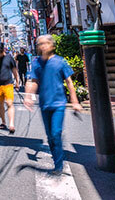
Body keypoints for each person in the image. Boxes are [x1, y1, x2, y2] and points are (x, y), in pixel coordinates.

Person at [24, 35, 84, 174]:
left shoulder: (60, 62)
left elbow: (69, 82)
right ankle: (57, 156)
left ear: (52, 45)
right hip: (44, 104)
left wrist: (75, 101)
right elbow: (33, 81)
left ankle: (58, 165)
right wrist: (29, 97)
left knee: (56, 133)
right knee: (50, 136)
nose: (42, 46)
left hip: (58, 104)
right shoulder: (37, 62)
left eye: (45, 43)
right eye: (40, 44)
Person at [0, 42, 19, 134]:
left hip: (8, 84)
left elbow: (14, 70)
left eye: (0, 51)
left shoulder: (9, 58)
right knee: (0, 103)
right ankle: (3, 122)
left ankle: (11, 124)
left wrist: (17, 81)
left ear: (4, 50)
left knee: (9, 103)